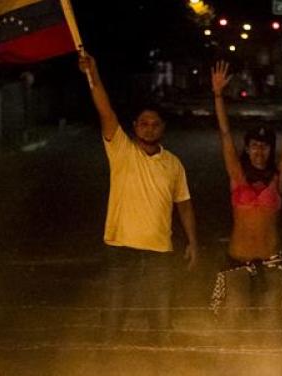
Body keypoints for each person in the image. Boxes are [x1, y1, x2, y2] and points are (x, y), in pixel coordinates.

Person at [78, 52, 198, 339]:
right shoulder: (121, 151)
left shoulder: (173, 163)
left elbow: (184, 205)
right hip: (121, 249)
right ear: (135, 127)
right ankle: (107, 373)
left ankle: (160, 375)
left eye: (155, 124)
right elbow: (106, 111)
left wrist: (193, 242)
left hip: (159, 252)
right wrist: (93, 74)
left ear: (163, 128)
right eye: (143, 123)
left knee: (160, 319)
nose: (149, 128)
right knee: (114, 317)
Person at [208, 61, 282, 330]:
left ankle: (269, 370)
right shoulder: (237, 176)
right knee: (233, 318)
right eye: (254, 146)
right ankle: (230, 370)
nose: (259, 152)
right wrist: (218, 95)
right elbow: (225, 134)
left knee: (271, 323)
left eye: (264, 147)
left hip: (271, 262)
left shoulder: (278, 178)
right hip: (237, 261)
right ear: (248, 148)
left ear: (270, 150)